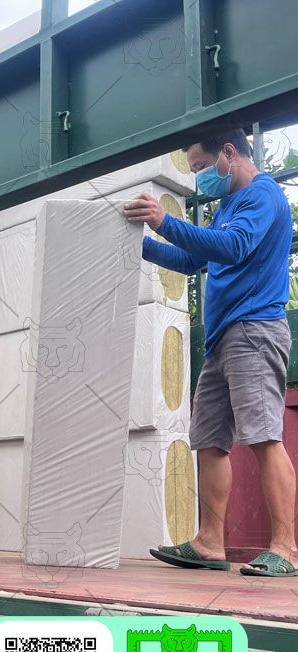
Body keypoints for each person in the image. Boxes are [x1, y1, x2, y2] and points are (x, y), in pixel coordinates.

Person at [123, 129, 297, 577]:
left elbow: (234, 247)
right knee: (209, 441)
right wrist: (135, 243)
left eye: (201, 167)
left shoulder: (263, 195)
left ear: (230, 153)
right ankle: (209, 543)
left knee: (263, 436)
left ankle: (286, 548)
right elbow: (191, 260)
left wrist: (164, 222)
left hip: (254, 330)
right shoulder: (228, 206)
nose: (200, 177)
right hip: (222, 339)